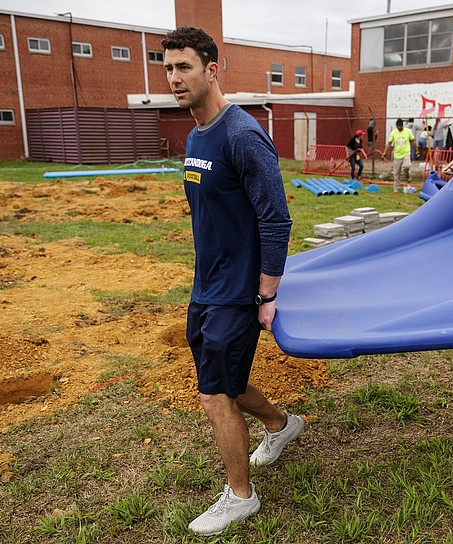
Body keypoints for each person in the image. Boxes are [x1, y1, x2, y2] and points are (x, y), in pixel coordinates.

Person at [162, 26, 304, 535]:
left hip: (239, 289)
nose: (175, 78)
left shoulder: (242, 135)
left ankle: (240, 496)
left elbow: (276, 218)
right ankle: (280, 424)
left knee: (213, 392)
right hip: (207, 282)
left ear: (211, 70)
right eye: (169, 68)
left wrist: (266, 293)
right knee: (224, 374)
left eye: (185, 68)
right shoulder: (197, 134)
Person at [383, 118, 418, 192]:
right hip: (397, 155)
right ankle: (396, 189)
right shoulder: (393, 133)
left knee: (407, 166)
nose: (399, 128)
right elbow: (389, 143)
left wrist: (417, 151)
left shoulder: (408, 131)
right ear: (396, 126)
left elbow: (413, 141)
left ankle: (407, 175)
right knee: (396, 173)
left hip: (406, 153)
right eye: (398, 126)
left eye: (400, 126)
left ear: (403, 126)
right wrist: (385, 152)